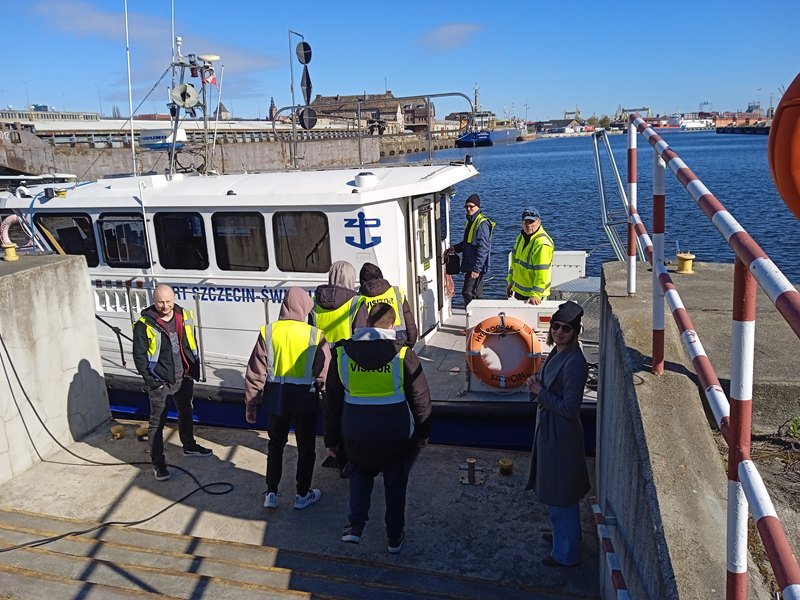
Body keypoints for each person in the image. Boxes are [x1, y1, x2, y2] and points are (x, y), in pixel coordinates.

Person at [324, 302, 431, 554]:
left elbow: (331, 403)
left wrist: (331, 440)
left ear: (367, 323)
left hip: (356, 433)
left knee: (360, 473)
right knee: (395, 485)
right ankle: (394, 537)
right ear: (392, 325)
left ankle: (355, 525)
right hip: (395, 434)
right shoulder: (403, 355)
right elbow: (420, 398)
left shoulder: (342, 354)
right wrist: (423, 432)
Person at [244, 287, 331, 510]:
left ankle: (271, 493)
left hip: (276, 400)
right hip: (304, 401)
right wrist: (328, 401)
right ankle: (302, 494)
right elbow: (324, 374)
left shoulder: (269, 332)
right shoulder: (315, 335)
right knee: (306, 449)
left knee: (275, 446)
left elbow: (255, 372)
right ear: (305, 307)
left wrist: (251, 404)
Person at [525, 300, 590, 567]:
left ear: (575, 331)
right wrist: (537, 384)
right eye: (556, 326)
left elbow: (571, 408)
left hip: (561, 437)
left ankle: (565, 555)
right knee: (557, 495)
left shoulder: (574, 363)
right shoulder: (557, 352)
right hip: (551, 432)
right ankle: (563, 537)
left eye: (566, 328)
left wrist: (540, 392)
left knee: (562, 496)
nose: (559, 332)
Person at [132, 284, 212, 482]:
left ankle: (189, 446)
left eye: (168, 301)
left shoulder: (184, 316)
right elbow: (139, 356)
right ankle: (158, 464)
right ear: (154, 301)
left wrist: (192, 369)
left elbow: (190, 343)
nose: (165, 306)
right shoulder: (144, 324)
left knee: (186, 411)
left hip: (184, 376)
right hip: (160, 381)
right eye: (160, 302)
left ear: (174, 299)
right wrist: (153, 381)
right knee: (157, 423)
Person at [352, 262, 418, 347]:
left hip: (371, 345)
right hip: (399, 340)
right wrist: (409, 346)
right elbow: (410, 325)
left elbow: (357, 328)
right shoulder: (396, 292)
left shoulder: (358, 299)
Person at [447, 193, 495, 306]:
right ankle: (475, 315)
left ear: (478, 207)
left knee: (469, 293)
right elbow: (468, 243)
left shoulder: (482, 223)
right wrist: (455, 248)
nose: (468, 209)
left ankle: (476, 315)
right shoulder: (471, 221)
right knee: (473, 293)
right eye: (466, 206)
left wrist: (477, 269)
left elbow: (484, 248)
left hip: (476, 266)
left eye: (471, 206)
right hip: (470, 264)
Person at [506, 208, 554, 305]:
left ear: (539, 222)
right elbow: (515, 262)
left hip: (534, 296)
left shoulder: (542, 244)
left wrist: (536, 294)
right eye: (526, 222)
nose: (528, 225)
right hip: (520, 291)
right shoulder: (521, 237)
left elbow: (542, 272)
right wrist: (510, 282)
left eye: (531, 222)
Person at [312, 260, 359, 345]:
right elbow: (362, 336)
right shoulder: (356, 302)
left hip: (321, 351)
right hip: (346, 352)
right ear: (351, 277)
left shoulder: (315, 302)